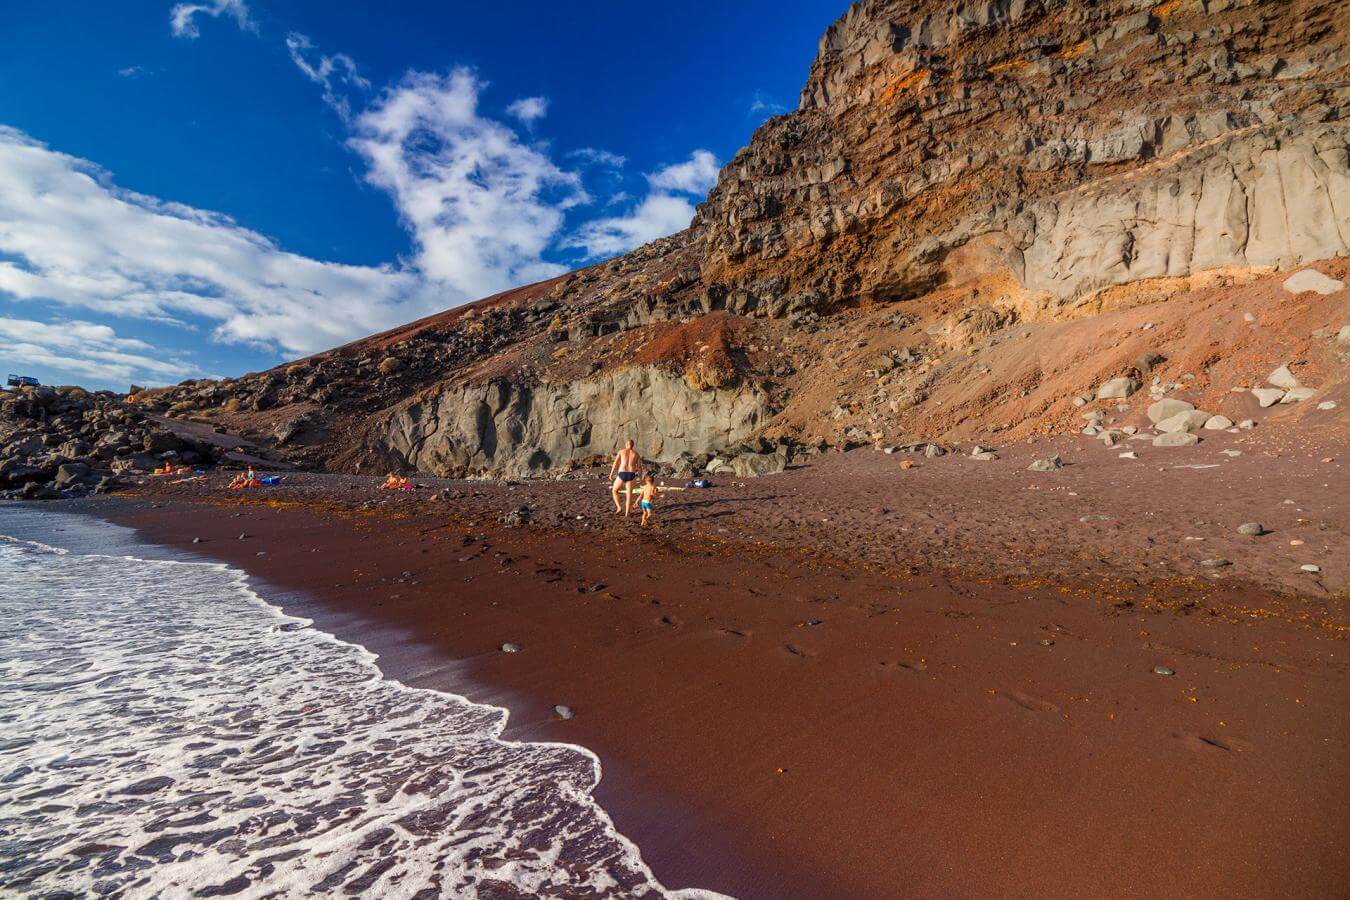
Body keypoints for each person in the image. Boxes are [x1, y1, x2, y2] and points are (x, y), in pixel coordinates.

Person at [609, 439, 642, 515]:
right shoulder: (636, 454)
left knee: (614, 491)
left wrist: (611, 474)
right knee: (629, 493)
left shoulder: (621, 451)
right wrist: (640, 478)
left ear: (626, 444)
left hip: (622, 473)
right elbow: (639, 467)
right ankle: (627, 513)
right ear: (633, 445)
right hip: (631, 474)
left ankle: (619, 507)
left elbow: (615, 463)